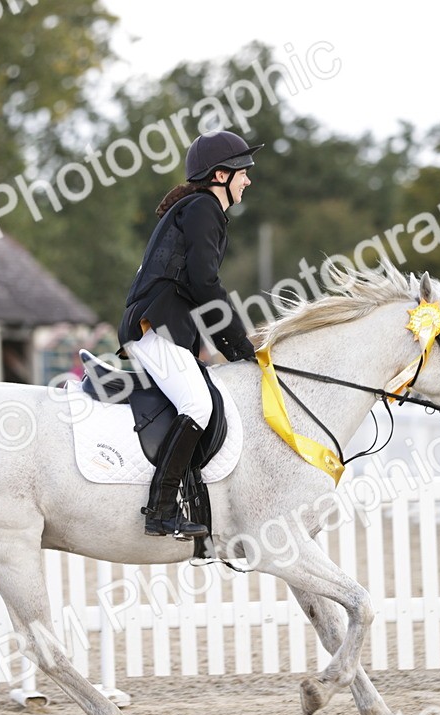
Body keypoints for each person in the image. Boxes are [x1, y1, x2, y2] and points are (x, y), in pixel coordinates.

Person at [117, 130, 260, 538]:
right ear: (220, 175)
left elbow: (197, 289)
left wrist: (231, 345)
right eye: (243, 173)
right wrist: (239, 346)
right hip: (154, 328)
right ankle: (160, 509)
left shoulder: (196, 208)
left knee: (202, 398)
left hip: (163, 327)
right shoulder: (203, 209)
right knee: (197, 404)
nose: (248, 180)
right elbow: (205, 285)